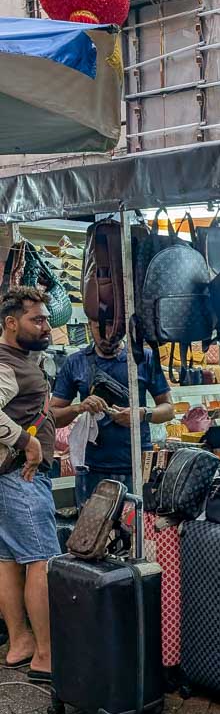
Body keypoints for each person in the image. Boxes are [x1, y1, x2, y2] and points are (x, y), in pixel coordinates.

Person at [0, 287, 58, 680]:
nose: (46, 326)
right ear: (10, 323)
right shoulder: (7, 363)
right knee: (41, 560)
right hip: (22, 476)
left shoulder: (20, 359)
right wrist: (27, 440)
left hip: (10, 479)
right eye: (36, 319)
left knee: (7, 560)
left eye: (45, 318)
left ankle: (20, 642)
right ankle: (46, 654)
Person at [50, 329, 174, 506]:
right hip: (91, 468)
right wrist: (79, 407)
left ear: (122, 323)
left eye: (112, 324)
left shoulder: (143, 358)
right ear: (90, 324)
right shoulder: (76, 362)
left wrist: (141, 414)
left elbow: (169, 409)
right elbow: (53, 416)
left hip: (136, 466)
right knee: (91, 532)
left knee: (135, 529)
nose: (107, 332)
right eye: (99, 324)